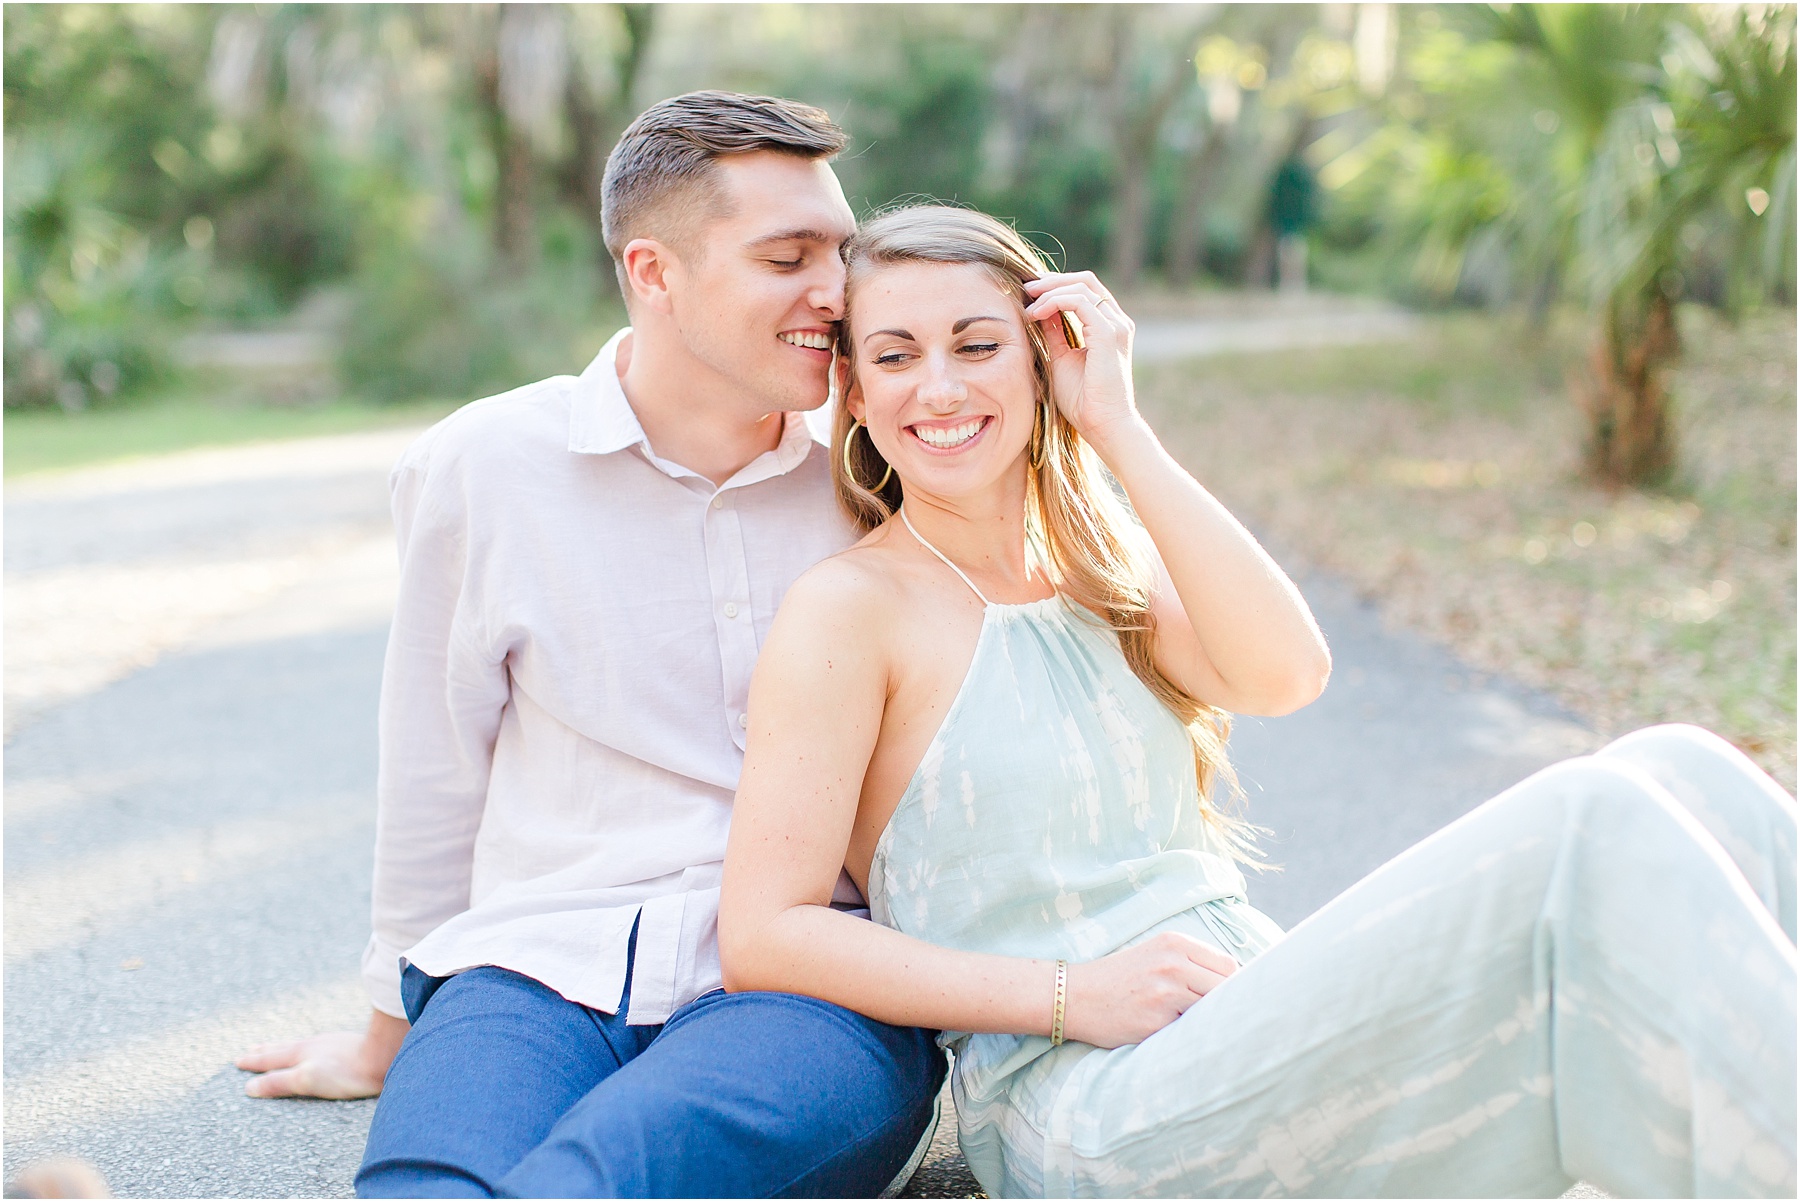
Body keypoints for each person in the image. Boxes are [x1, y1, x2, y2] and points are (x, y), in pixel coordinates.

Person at [717, 204, 1798, 1198]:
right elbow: (767, 929)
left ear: (1046, 362)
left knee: (1683, 767)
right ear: (853, 392)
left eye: (978, 344)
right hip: (1091, 1098)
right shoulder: (850, 609)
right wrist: (1066, 992)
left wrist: (1121, 430)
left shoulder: (1094, 567)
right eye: (896, 357)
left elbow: (1288, 672)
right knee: (1592, 825)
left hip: (1247, 1011)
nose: (940, 388)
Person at [234, 92, 946, 1198]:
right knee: (424, 1181)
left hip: (811, 988)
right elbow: (434, 761)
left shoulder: (888, 468)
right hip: (526, 970)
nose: (837, 291)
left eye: (842, 251)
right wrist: (388, 1029)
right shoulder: (484, 465)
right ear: (654, 273)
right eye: (787, 256)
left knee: (610, 1173)